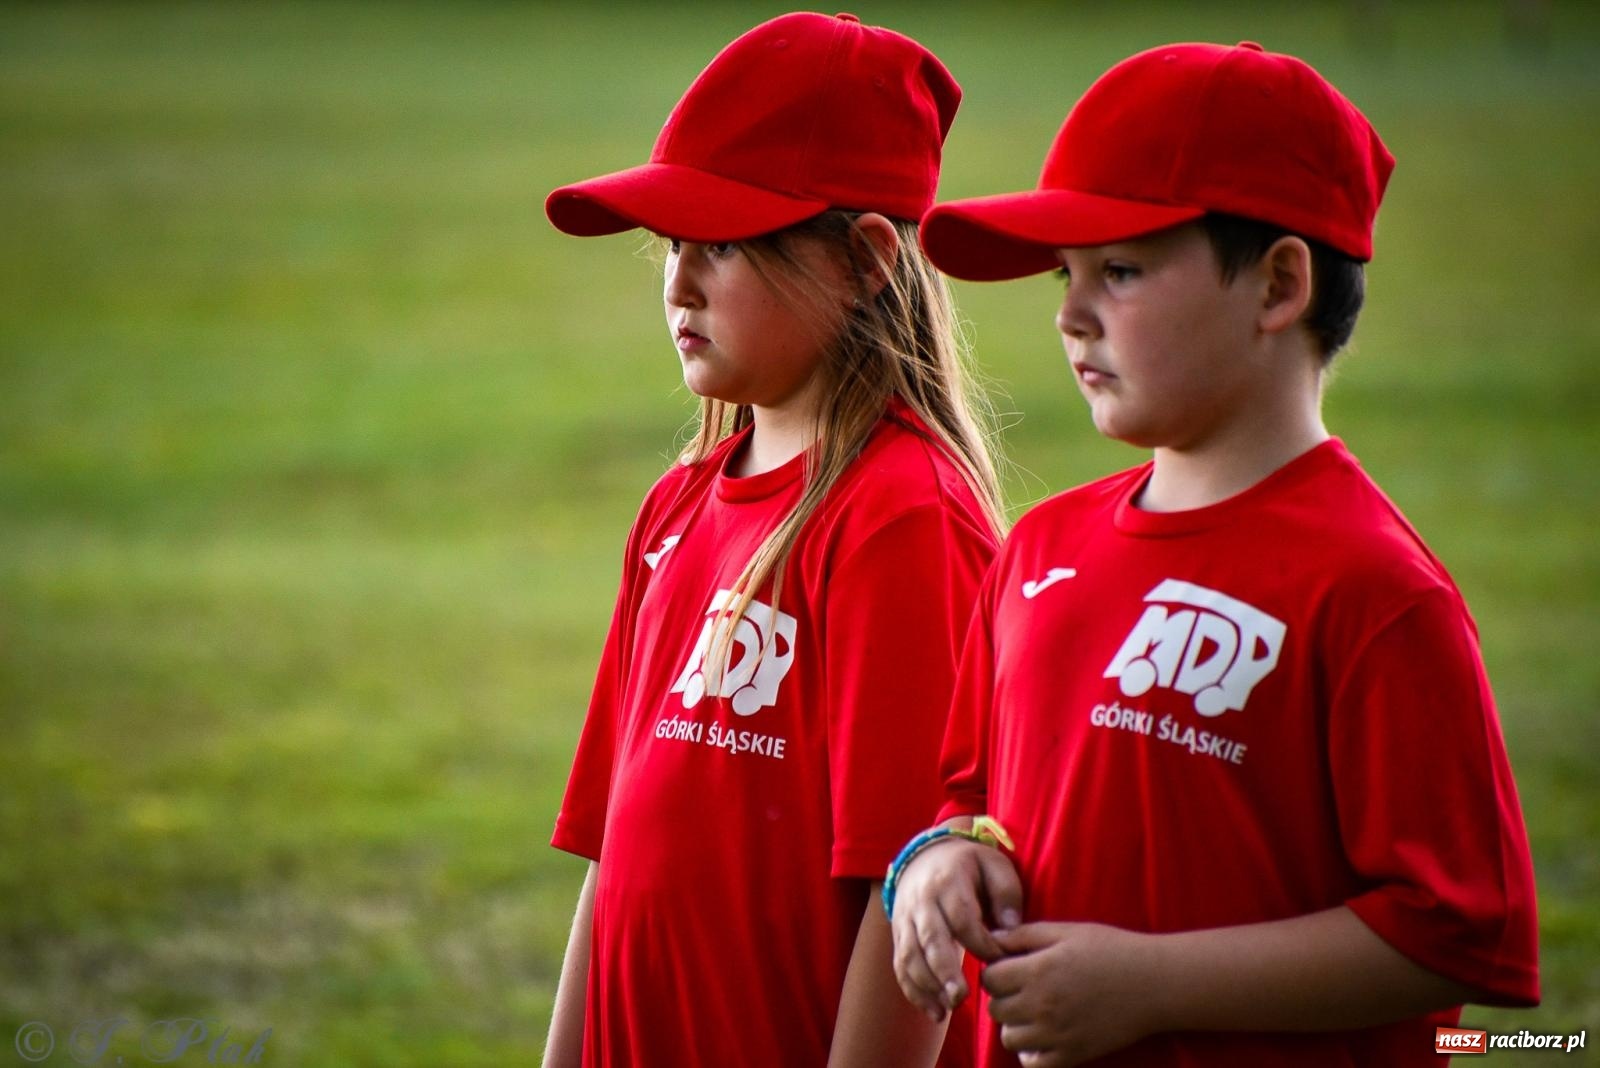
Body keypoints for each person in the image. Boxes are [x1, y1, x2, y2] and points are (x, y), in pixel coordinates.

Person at [885, 41, 1540, 1067]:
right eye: (1065, 275)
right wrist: (938, 862)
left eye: (1121, 270)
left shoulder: (1372, 588)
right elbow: (970, 802)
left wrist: (1151, 986)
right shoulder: (1038, 549)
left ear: (1278, 284)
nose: (1068, 313)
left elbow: (1456, 932)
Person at [540, 12, 1006, 1067]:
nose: (677, 283)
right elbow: (611, 859)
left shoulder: (903, 519)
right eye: (671, 245)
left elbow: (914, 903)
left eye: (725, 246)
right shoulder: (676, 505)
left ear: (867, 259)